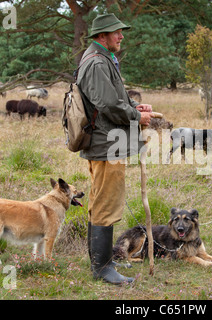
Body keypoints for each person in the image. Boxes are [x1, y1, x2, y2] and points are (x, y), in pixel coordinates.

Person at [76, 13, 154, 284]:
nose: (121, 36)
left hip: (106, 142)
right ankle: (102, 269)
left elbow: (109, 100)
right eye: (116, 32)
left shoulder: (101, 60)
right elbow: (108, 106)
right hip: (107, 145)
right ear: (101, 37)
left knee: (100, 202)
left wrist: (134, 107)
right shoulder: (97, 63)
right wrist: (137, 117)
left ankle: (102, 263)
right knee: (106, 204)